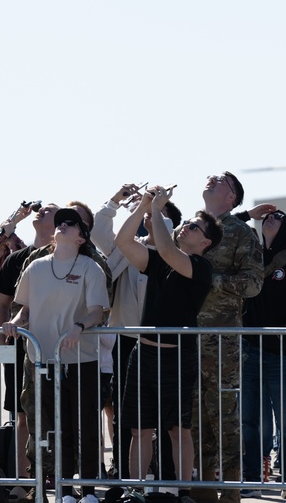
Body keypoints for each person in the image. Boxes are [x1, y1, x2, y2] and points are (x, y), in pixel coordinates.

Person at [114, 186, 220, 498]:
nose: (186, 226)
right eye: (187, 222)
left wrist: (158, 211)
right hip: (143, 353)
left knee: (178, 430)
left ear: (205, 242)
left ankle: (180, 491)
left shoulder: (201, 267)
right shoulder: (160, 261)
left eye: (194, 226)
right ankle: (137, 490)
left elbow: (169, 250)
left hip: (176, 357)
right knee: (139, 429)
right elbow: (123, 242)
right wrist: (144, 207)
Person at [3, 207, 109, 503]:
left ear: (81, 238)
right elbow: (24, 306)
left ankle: (87, 491)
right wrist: (16, 321)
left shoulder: (91, 268)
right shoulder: (35, 267)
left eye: (71, 224)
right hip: (44, 361)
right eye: (60, 222)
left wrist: (78, 326)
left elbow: (97, 311)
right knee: (55, 429)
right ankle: (63, 490)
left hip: (81, 359)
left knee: (86, 427)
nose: (62, 225)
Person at [91, 183, 182, 480]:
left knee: (165, 415)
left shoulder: (170, 246)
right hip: (127, 338)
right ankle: (124, 472)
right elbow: (97, 231)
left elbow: (163, 232)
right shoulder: (124, 246)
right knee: (125, 413)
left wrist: (153, 208)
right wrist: (118, 201)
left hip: (161, 341)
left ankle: (166, 476)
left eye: (153, 210)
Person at [193, 172, 264, 503]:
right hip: (185, 335)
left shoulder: (241, 233)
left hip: (221, 340)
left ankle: (231, 490)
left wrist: (209, 279)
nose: (210, 180)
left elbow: (253, 283)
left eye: (219, 180)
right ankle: (202, 488)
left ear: (232, 196)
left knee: (225, 417)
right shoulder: (192, 228)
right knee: (192, 416)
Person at [240, 211, 286, 494]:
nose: (270, 218)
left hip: (282, 354)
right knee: (248, 419)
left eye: (277, 217)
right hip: (248, 350)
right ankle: (252, 477)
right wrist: (246, 214)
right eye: (267, 216)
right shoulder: (249, 258)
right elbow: (218, 228)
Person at [0, 202, 60, 488]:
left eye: (50, 210)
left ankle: (58, 478)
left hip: (58, 348)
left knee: (58, 415)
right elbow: (1, 309)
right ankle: (23, 481)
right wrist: (3, 352)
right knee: (21, 416)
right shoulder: (16, 259)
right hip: (19, 351)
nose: (41, 211)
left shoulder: (66, 257)